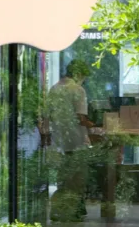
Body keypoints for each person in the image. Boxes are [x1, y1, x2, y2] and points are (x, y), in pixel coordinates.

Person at [46, 59, 94, 222]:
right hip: (76, 140)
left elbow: (49, 115)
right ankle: (73, 211)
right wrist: (95, 125)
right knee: (77, 178)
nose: (84, 80)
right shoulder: (78, 90)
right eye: (84, 77)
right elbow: (81, 117)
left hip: (59, 140)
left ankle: (61, 210)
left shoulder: (54, 89)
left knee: (64, 178)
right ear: (78, 74)